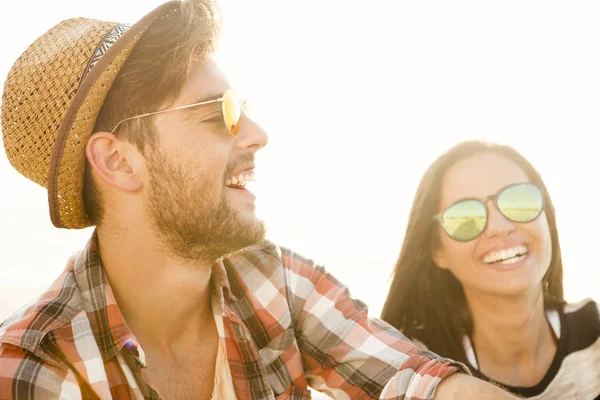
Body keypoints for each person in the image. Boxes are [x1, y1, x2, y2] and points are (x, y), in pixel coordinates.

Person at [0, 1, 519, 398]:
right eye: (219, 113)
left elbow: (418, 382)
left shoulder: (277, 284)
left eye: (242, 108)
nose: (257, 134)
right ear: (118, 161)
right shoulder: (30, 370)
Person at [381, 140, 600, 399]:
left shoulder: (593, 335)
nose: (500, 226)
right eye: (464, 217)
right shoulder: (415, 370)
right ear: (437, 251)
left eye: (520, 200)